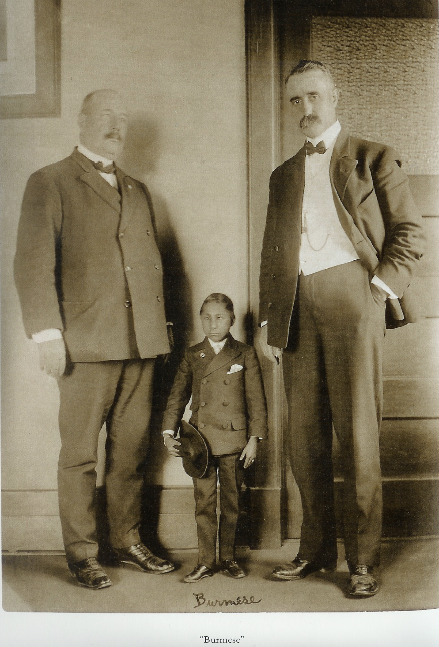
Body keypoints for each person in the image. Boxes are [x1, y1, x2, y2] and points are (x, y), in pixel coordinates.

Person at [257, 60, 424, 597]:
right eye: (296, 101)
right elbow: (272, 253)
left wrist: (378, 289)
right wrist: (268, 320)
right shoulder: (282, 175)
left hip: (355, 299)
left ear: (334, 97)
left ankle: (363, 560)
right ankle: (312, 549)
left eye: (313, 97)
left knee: (357, 436)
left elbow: (408, 232)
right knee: (303, 438)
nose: (305, 110)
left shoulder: (373, 158)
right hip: (294, 310)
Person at [14, 89, 176, 589]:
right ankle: (83, 553)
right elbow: (32, 265)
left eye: (122, 116)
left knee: (130, 452)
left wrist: (159, 332)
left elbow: (149, 268)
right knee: (80, 455)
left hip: (141, 344)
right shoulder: (49, 182)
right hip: (84, 343)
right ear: (82, 121)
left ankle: (126, 541)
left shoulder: (138, 189)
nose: (116, 124)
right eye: (105, 115)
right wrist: (47, 335)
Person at [162, 293, 268, 582]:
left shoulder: (244, 353)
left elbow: (257, 400)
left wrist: (254, 439)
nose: (212, 323)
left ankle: (229, 558)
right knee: (203, 504)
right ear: (200, 319)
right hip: (200, 444)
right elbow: (177, 396)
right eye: (206, 317)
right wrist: (168, 433)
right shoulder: (192, 354)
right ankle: (205, 561)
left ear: (232, 319)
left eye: (219, 317)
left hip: (235, 442)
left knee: (233, 504)